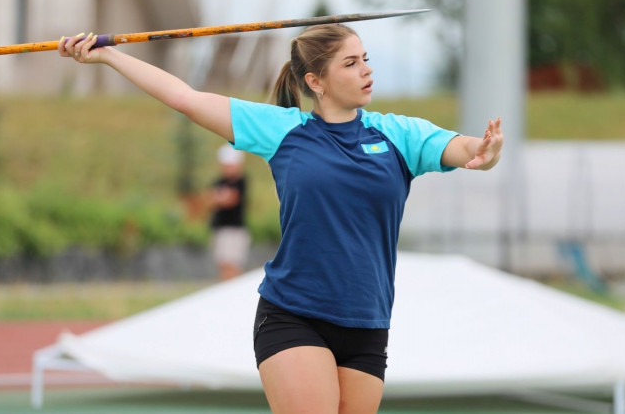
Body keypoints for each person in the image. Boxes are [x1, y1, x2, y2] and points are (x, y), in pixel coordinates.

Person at [59, 25, 503, 414]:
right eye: (350, 63)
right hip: (294, 314)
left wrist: (483, 152)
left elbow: (464, 149)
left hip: (368, 321)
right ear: (317, 81)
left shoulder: (399, 134)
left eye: (365, 59)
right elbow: (185, 98)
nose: (366, 70)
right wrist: (109, 55)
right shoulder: (282, 130)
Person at [209, 143, 250, 281]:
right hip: (220, 228)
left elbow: (229, 199)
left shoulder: (240, 181)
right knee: (223, 265)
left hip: (234, 230)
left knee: (232, 265)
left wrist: (218, 198)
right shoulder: (219, 181)